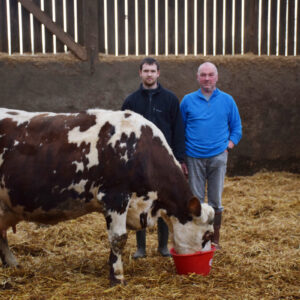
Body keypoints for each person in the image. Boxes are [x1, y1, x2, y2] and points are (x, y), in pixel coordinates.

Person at [122, 57, 187, 259]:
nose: (149, 74)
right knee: (140, 202)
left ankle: (163, 247)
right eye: (146, 71)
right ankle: (140, 248)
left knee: (164, 202)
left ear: (158, 73)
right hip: (138, 163)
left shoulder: (170, 100)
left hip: (164, 162)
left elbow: (178, 131)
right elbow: (122, 131)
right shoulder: (131, 101)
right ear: (140, 73)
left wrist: (180, 159)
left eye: (153, 71)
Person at [180, 62, 242, 250]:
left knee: (215, 200)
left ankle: (215, 240)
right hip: (193, 157)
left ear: (216, 77)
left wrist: (227, 147)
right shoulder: (187, 101)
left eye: (210, 75)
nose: (207, 78)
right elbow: (180, 129)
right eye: (203, 75)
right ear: (197, 77)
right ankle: (198, 240)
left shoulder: (227, 100)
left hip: (218, 157)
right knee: (196, 200)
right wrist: (182, 158)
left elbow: (237, 128)